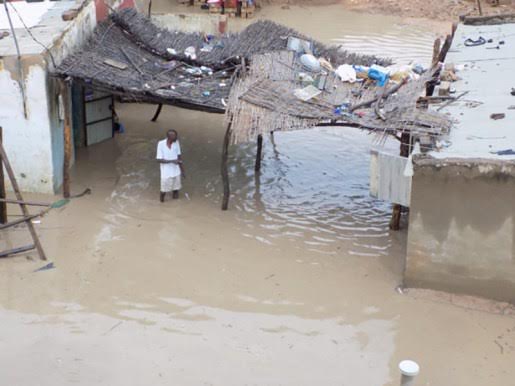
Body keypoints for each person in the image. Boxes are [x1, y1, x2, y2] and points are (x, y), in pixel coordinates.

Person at [156, 130, 185, 202]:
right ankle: (161, 203)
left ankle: (176, 205)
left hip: (176, 171)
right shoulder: (161, 144)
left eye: (176, 135)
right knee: (163, 191)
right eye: (174, 136)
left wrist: (183, 171)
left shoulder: (176, 142)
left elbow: (179, 157)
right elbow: (158, 160)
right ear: (169, 137)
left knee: (176, 189)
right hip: (166, 173)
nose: (176, 137)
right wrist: (172, 161)